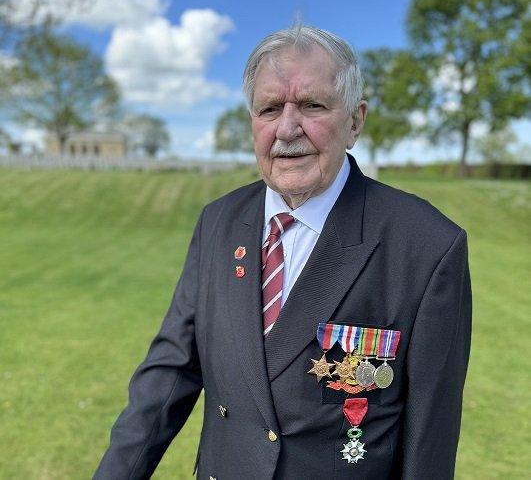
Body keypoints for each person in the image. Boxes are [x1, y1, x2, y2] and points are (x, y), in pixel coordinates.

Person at [94, 25, 472, 480]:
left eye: (312, 105)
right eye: (270, 108)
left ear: (354, 121)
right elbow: (169, 375)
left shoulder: (427, 245)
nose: (287, 128)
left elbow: (429, 438)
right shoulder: (219, 221)